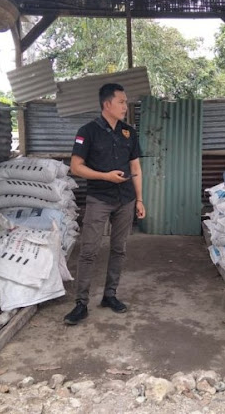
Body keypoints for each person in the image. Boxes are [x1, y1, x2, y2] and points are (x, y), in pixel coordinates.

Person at [63, 83, 146, 326]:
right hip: (99, 198)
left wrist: (140, 199)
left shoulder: (129, 132)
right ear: (107, 104)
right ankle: (81, 304)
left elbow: (136, 169)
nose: (125, 106)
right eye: (121, 102)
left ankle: (110, 295)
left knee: (119, 249)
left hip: (126, 199)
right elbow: (75, 167)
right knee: (89, 250)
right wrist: (105, 176)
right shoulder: (87, 131)